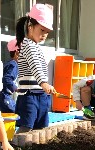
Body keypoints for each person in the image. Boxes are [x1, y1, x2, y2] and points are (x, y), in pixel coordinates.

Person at [14, 3, 56, 133]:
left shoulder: (35, 45)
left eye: (47, 32)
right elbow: (35, 65)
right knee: (27, 124)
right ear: (30, 27)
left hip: (40, 94)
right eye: (42, 30)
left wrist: (44, 86)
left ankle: (34, 148)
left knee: (41, 124)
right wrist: (44, 83)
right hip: (29, 95)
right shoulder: (28, 44)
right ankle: (17, 145)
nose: (44, 35)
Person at [0, 38, 19, 113]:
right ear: (17, 52)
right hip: (4, 95)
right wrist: (16, 88)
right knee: (14, 113)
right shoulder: (14, 64)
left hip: (0, 95)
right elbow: (7, 78)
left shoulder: (8, 63)